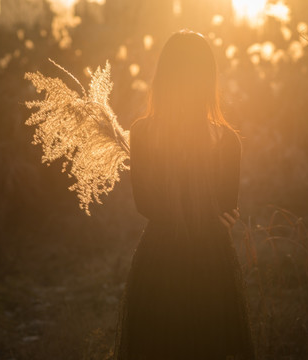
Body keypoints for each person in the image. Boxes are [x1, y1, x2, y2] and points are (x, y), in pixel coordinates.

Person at [113, 30, 255, 360]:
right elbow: (226, 210)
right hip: (211, 260)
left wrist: (179, 202)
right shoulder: (226, 140)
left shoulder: (143, 132)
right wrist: (207, 213)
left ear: (164, 77)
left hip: (160, 258)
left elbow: (144, 204)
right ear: (208, 79)